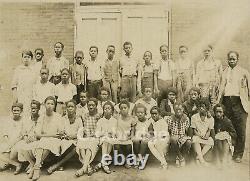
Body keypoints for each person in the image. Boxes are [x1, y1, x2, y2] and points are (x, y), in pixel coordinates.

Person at [217, 51, 249, 163]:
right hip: (227, 102)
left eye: (233, 59)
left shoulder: (244, 72)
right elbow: (221, 88)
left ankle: (238, 154)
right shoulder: (225, 72)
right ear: (227, 60)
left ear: (237, 59)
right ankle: (230, 152)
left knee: (240, 129)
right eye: (230, 59)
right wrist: (218, 101)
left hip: (239, 103)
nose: (231, 61)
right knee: (229, 128)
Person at [30, 96, 65, 181]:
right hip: (44, 140)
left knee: (46, 142)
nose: (50, 105)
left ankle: (35, 168)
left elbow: (60, 134)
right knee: (44, 141)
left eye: (52, 104)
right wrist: (51, 135)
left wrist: (46, 135)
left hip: (55, 141)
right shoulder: (41, 117)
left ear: (54, 106)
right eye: (48, 103)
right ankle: (37, 167)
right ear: (44, 105)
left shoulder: (58, 117)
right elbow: (37, 134)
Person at [47, 100, 83, 174]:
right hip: (65, 139)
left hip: (75, 139)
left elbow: (81, 132)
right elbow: (61, 130)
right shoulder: (63, 119)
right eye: (68, 107)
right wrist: (65, 135)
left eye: (72, 107)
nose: (70, 108)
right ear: (66, 108)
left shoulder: (79, 119)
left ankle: (58, 164)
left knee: (75, 147)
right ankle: (62, 163)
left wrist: (74, 136)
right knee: (62, 143)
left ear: (75, 108)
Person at [75, 98, 101, 177]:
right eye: (89, 105)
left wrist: (94, 135)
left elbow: (99, 128)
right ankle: (87, 166)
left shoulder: (98, 116)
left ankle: (83, 168)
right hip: (86, 136)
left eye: (93, 105)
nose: (91, 107)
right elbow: (83, 127)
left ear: (96, 106)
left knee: (90, 146)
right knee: (81, 145)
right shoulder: (85, 115)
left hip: (95, 136)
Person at [18, 100, 41, 179]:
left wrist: (35, 138)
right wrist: (25, 137)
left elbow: (40, 131)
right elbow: (23, 130)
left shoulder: (41, 119)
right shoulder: (27, 119)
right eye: (32, 108)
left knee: (36, 146)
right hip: (28, 138)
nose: (33, 110)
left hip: (37, 139)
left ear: (39, 109)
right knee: (21, 145)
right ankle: (31, 163)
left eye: (35, 108)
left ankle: (35, 166)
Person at [0, 103, 24, 175]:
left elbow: (22, 135)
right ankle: (17, 164)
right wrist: (8, 142)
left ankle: (9, 163)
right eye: (14, 110)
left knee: (13, 152)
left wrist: (13, 143)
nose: (16, 112)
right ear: (12, 111)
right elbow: (5, 133)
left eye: (17, 110)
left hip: (18, 142)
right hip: (9, 142)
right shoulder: (8, 120)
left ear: (21, 111)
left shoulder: (24, 121)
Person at [166, 102, 191, 167]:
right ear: (174, 109)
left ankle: (181, 157)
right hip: (174, 137)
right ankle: (181, 158)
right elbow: (168, 130)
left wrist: (184, 137)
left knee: (188, 142)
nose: (178, 111)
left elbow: (187, 130)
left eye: (180, 109)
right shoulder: (170, 119)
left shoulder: (186, 119)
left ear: (183, 109)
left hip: (182, 136)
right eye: (176, 109)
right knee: (174, 139)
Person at [191, 100, 215, 166]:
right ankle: (202, 161)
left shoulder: (211, 118)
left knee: (211, 141)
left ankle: (198, 158)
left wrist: (207, 136)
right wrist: (199, 135)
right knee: (195, 139)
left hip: (205, 136)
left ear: (207, 108)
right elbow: (194, 130)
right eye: (200, 107)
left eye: (203, 107)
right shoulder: (194, 117)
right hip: (198, 135)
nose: (201, 109)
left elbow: (209, 130)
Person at [95, 101, 117, 174]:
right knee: (105, 140)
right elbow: (97, 133)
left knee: (109, 140)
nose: (107, 110)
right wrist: (105, 133)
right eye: (105, 109)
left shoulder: (114, 121)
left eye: (109, 108)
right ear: (103, 110)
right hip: (102, 139)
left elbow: (114, 132)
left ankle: (102, 163)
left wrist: (111, 134)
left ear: (112, 111)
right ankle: (104, 164)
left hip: (112, 139)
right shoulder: (100, 120)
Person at [213, 104, 236, 168]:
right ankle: (218, 161)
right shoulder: (213, 120)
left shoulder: (227, 121)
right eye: (217, 112)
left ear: (223, 113)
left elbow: (234, 133)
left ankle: (224, 160)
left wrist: (226, 133)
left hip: (226, 142)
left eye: (220, 112)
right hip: (217, 141)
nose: (218, 114)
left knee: (225, 139)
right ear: (214, 112)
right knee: (218, 139)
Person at [133, 104, 151, 170]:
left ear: (145, 113)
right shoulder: (135, 121)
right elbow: (133, 130)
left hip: (145, 137)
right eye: (138, 113)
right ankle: (139, 158)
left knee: (144, 141)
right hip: (137, 136)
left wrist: (146, 135)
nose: (140, 114)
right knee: (136, 140)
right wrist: (133, 136)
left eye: (142, 113)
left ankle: (140, 160)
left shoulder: (148, 122)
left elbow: (150, 132)